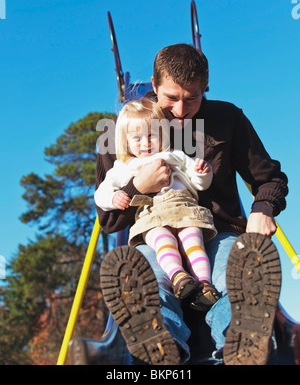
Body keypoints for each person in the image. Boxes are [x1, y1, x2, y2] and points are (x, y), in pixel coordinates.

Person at [96, 43, 288, 365]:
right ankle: (160, 348)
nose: (182, 110)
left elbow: (269, 178)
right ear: (154, 87)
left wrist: (262, 209)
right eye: (171, 98)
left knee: (233, 273)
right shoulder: (124, 129)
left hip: (218, 229)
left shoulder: (227, 118)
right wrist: (137, 186)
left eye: (193, 98)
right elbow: (108, 219)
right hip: (153, 230)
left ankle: (239, 344)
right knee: (148, 279)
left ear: (206, 88)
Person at [95, 97, 220, 310]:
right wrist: (114, 199)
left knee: (194, 244)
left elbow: (199, 183)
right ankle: (178, 276)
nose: (145, 143)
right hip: (152, 216)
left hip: (185, 211)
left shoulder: (175, 156)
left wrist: (202, 173)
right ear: (125, 142)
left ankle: (204, 285)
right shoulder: (123, 167)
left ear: (163, 134)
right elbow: (101, 193)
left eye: (151, 135)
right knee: (164, 242)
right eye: (136, 138)